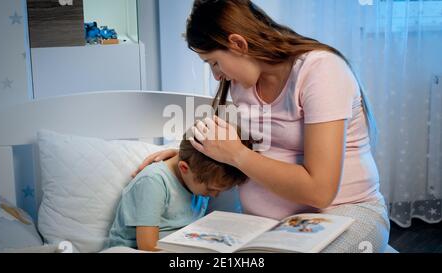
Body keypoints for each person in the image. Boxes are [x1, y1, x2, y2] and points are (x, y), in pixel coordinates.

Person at [133, 0, 390, 253]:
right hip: (265, 228)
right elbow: (239, 142)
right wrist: (189, 155)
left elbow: (320, 191)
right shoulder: (242, 85)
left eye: (214, 62)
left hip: (342, 213)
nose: (216, 75)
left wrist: (237, 154)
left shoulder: (320, 70)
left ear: (237, 44)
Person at [107, 131, 251, 251]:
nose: (214, 195)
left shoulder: (199, 176)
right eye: (210, 190)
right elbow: (148, 247)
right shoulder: (153, 181)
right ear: (184, 168)